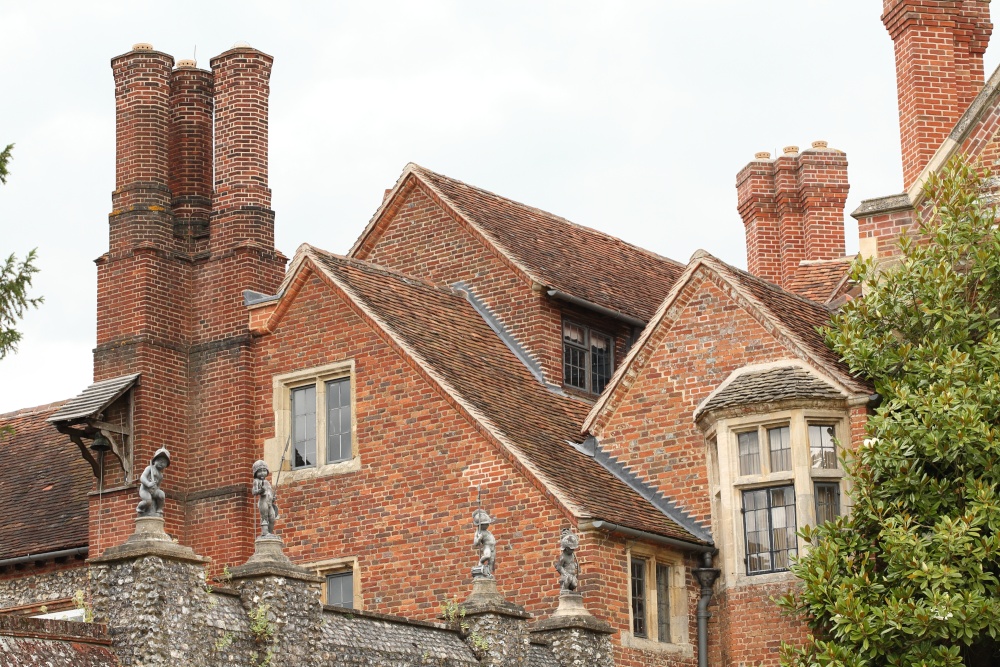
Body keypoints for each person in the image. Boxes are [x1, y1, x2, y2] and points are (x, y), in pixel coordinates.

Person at [136, 448, 170, 517]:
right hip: (145, 490)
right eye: (160, 461)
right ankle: (140, 508)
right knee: (148, 501)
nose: (161, 463)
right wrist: (148, 484)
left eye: (164, 462)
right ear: (154, 461)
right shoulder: (149, 468)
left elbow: (158, 485)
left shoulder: (161, 475)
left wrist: (156, 490)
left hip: (154, 490)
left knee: (161, 494)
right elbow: (142, 477)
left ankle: (159, 509)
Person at [252, 459, 279, 537]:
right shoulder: (256, 481)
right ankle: (265, 532)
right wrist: (260, 490)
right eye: (260, 471)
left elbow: (269, 491)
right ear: (256, 473)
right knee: (264, 517)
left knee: (272, 518)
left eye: (264, 470)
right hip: (263, 501)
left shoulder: (267, 482)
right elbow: (254, 492)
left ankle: (270, 532)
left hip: (269, 502)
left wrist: (273, 497)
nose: (262, 473)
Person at [472, 508, 496, 577]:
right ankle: (481, 561)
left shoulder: (487, 532)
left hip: (493, 548)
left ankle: (488, 574)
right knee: (487, 556)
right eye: (485, 524)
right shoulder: (479, 532)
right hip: (487, 547)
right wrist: (479, 538)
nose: (487, 525)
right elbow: (475, 543)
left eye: (487, 524)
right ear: (480, 525)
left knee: (491, 562)